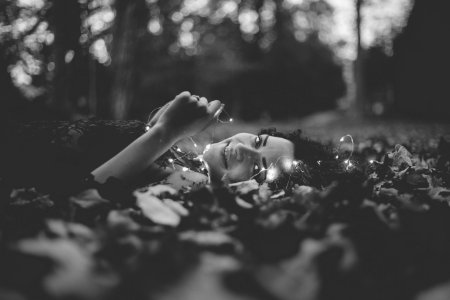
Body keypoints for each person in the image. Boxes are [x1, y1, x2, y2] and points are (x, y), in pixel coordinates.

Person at [91, 91, 335, 192]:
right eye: (258, 141)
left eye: (258, 168)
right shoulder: (189, 167)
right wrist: (156, 129)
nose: (240, 147)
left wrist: (164, 133)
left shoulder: (190, 186)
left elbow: (83, 195)